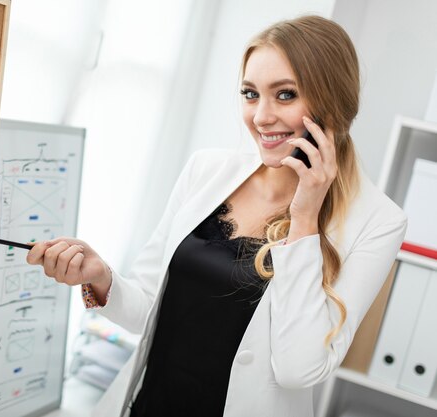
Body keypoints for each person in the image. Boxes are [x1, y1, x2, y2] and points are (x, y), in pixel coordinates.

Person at [26, 15, 407, 417]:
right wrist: (99, 276)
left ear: (333, 101)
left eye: (285, 95)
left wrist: (306, 217)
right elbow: (146, 310)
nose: (260, 116)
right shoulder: (206, 170)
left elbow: (299, 368)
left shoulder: (378, 222)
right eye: (249, 93)